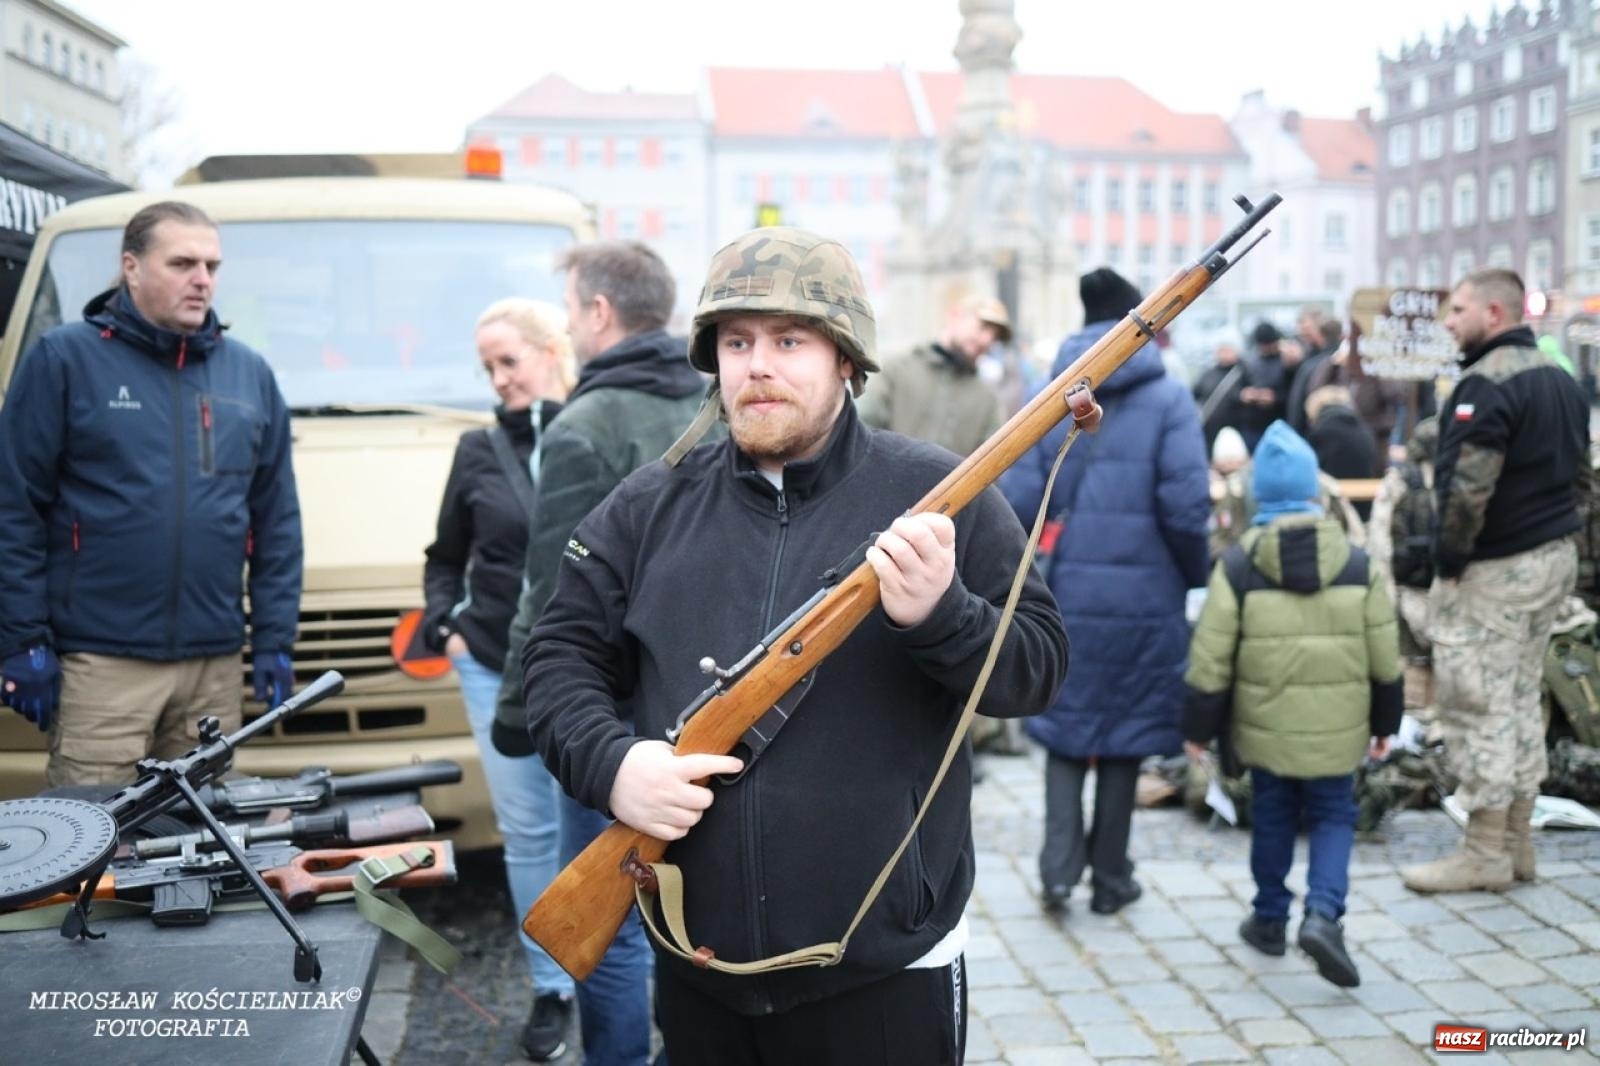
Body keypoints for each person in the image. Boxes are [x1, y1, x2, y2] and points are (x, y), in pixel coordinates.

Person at [520, 226, 1069, 1065]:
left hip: (885, 973)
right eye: (737, 343)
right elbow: (557, 661)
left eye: (789, 340)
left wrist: (943, 615)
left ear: (846, 358)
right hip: (699, 973)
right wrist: (615, 767)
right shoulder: (650, 504)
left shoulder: (938, 493)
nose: (757, 366)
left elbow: (1037, 671)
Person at [488, 240, 708, 1065]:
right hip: (712, 711)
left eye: (576, 310)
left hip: (609, 724)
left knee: (612, 927)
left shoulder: (583, 427)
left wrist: (521, 716)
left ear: (600, 314)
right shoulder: (717, 404)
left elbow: (553, 602)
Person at [0, 200, 302, 785]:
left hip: (212, 667)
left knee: (203, 844)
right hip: (103, 666)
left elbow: (276, 519)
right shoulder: (65, 360)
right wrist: (21, 639)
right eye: (183, 263)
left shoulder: (248, 374)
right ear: (131, 267)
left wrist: (274, 638)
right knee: (97, 847)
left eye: (212, 266)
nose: (202, 280)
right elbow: (14, 508)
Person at [1000, 266, 1211, 917]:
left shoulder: (1051, 390)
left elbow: (1019, 499)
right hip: (1146, 596)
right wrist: (1192, 572)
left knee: (1066, 728)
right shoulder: (1170, 398)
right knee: (1124, 733)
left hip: (1064, 592)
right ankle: (1112, 877)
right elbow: (1186, 503)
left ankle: (1058, 872)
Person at [1182, 421, 1402, 989]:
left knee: (1273, 813)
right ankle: (1324, 914)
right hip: (1339, 730)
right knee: (1334, 814)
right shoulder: (1357, 564)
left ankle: (1270, 917)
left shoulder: (1237, 567)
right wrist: (1386, 724)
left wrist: (1198, 730)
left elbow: (1210, 660)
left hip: (1265, 730)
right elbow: (1386, 654)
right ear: (1313, 491)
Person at [1401, 269, 1591, 894]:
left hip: (1496, 566)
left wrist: (1448, 564)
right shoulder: (1562, 380)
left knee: (1476, 701)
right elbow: (1583, 479)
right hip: (1551, 558)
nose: (1448, 322)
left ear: (1492, 311)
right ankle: (1516, 844)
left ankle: (1483, 850)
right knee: (1517, 699)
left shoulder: (1485, 384)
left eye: (1456, 310)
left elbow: (1467, 492)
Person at [420, 298, 573, 1060]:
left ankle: (617, 970)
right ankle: (553, 986)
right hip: (488, 662)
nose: (499, 378)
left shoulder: (590, 432)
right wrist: (445, 624)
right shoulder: (478, 449)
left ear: (552, 351)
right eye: (488, 367)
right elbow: (444, 553)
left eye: (509, 360)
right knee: (529, 833)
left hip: (584, 669)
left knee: (597, 824)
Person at [856, 292, 1010, 457]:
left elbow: (992, 465)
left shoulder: (987, 400)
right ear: (955, 315)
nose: (987, 340)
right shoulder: (897, 370)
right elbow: (861, 432)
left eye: (995, 336)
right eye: (983, 327)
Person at [1193, 343, 1246, 453]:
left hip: (1237, 428)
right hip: (1210, 430)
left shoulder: (1243, 372)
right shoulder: (1208, 374)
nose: (1224, 355)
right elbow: (1194, 394)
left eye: (1228, 351)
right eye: (1222, 351)